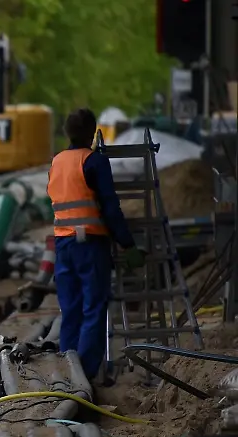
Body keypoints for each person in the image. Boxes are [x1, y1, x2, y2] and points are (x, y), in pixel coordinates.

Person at [47, 108, 145, 385]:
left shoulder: (57, 161)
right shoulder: (94, 162)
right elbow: (111, 210)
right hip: (90, 244)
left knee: (71, 310)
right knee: (94, 308)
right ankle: (86, 376)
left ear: (67, 132)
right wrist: (128, 244)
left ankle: (67, 373)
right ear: (92, 132)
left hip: (63, 244)